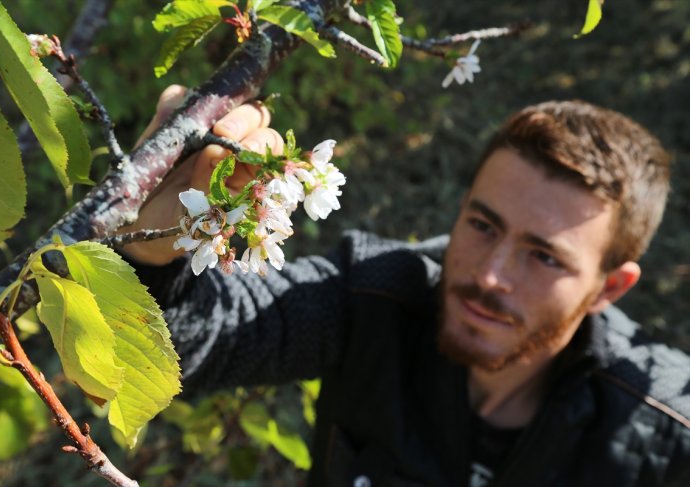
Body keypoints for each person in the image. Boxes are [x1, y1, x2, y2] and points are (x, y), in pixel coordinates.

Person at [121, 85, 690, 486]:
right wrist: (150, 239)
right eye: (482, 225)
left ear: (608, 288)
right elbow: (200, 341)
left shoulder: (661, 424)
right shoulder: (376, 295)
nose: (490, 275)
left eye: (544, 257)